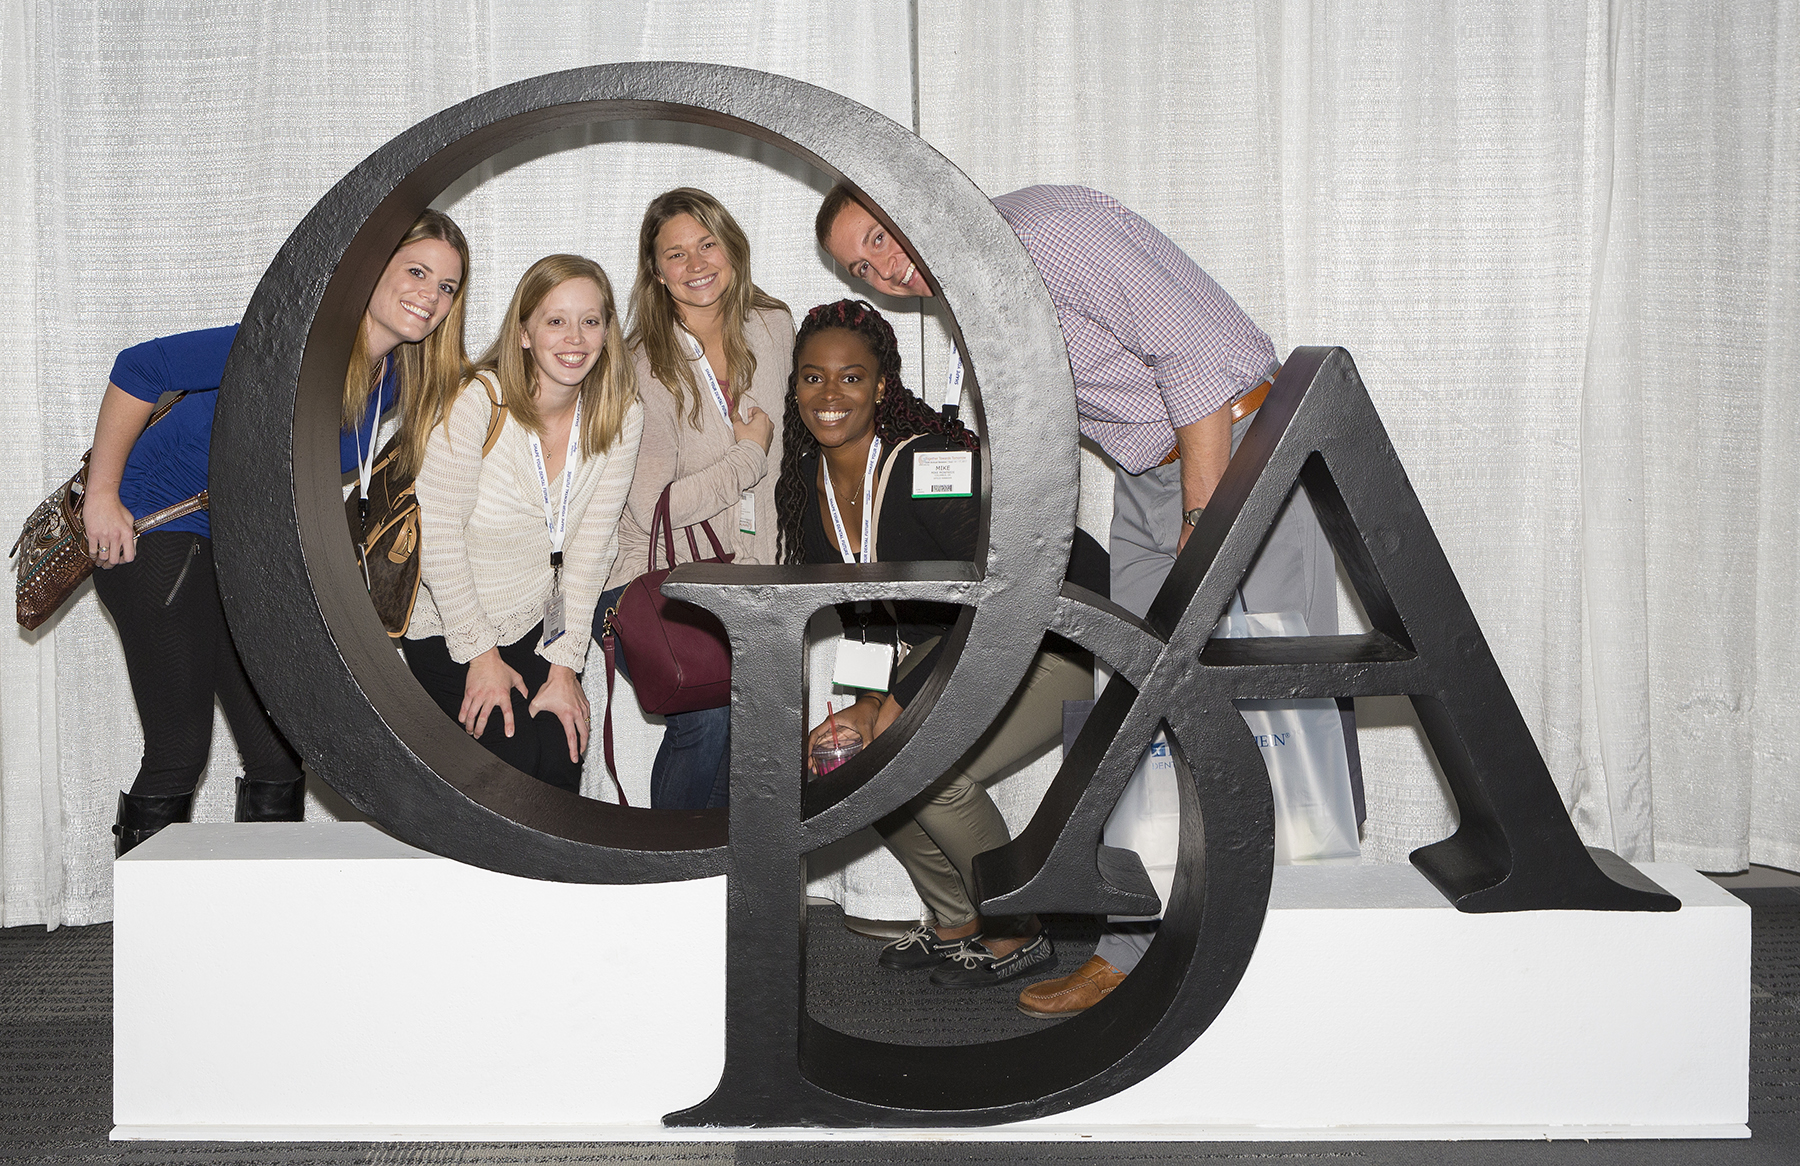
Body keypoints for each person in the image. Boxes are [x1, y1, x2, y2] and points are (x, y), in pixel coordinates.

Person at [818, 184, 1340, 1015]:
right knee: (1136, 718)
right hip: (1148, 472)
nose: (884, 268)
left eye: (881, 237)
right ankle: (1131, 953)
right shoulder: (977, 288)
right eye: (861, 265)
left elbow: (1193, 356)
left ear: (918, 193)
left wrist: (1205, 518)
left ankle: (1307, 950)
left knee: (1273, 702)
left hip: (1233, 449)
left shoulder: (1042, 233)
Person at [87, 210, 473, 855]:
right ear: (370, 269)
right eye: (416, 271)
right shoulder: (290, 337)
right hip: (159, 533)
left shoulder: (396, 380)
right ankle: (163, 944)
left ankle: (261, 931)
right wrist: (102, 494)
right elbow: (141, 367)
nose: (430, 296)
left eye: (448, 287)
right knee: (179, 753)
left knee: (279, 755)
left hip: (241, 558)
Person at [780, 299, 1102, 989]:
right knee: (863, 763)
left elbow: (1006, 598)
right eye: (812, 378)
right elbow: (864, 618)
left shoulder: (928, 467)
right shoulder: (808, 486)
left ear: (882, 387)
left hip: (1048, 644)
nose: (830, 395)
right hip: (952, 655)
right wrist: (862, 708)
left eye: (851, 377)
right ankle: (956, 922)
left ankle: (1018, 928)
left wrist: (893, 703)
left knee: (927, 771)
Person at [405, 254, 642, 794]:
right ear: (524, 334)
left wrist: (564, 668)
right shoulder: (478, 401)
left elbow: (591, 550)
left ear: (607, 333)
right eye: (555, 320)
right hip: (452, 628)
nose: (574, 337)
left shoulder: (621, 414)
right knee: (511, 770)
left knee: (560, 758)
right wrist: (481, 655)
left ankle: (556, 885)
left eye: (590, 320)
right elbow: (436, 535)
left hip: (542, 630)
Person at [596, 188, 792, 810]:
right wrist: (749, 455)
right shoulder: (638, 366)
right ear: (655, 271)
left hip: (753, 575)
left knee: (755, 739)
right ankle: (667, 881)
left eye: (707, 244)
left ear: (732, 248)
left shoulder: (775, 326)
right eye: (675, 254)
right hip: (654, 580)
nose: (696, 263)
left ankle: (719, 887)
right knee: (705, 720)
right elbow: (654, 506)